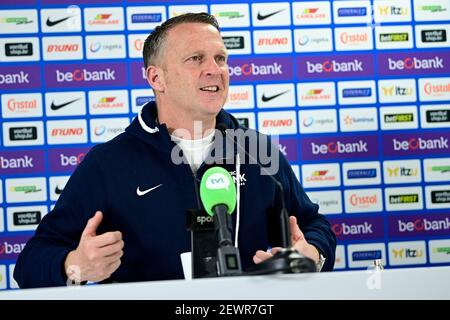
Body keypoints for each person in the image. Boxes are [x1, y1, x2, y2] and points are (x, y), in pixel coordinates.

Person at [14, 13, 336, 288]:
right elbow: (30, 264)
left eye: (220, 58)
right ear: (157, 78)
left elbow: (314, 227)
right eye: (196, 59)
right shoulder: (108, 165)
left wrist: (312, 255)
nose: (214, 69)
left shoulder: (256, 151)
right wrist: (76, 266)